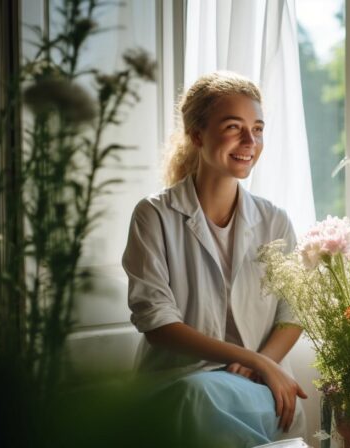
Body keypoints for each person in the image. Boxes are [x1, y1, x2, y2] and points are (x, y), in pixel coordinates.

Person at [122, 71, 307, 447]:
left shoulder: (275, 220)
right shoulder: (153, 215)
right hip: (175, 384)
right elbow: (157, 323)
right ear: (196, 135)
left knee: (202, 401)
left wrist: (264, 364)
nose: (249, 141)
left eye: (257, 128)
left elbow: (294, 313)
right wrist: (252, 359)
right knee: (196, 396)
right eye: (234, 127)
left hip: (256, 388)